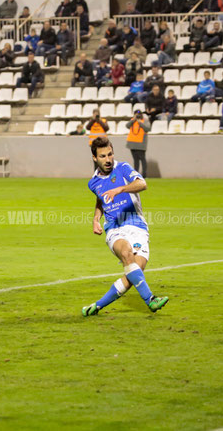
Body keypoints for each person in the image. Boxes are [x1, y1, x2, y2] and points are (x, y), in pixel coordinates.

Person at [82, 136, 168, 317]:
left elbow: (142, 184)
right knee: (127, 253)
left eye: (110, 154)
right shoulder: (93, 182)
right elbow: (100, 200)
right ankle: (151, 300)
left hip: (137, 225)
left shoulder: (123, 169)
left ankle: (96, 306)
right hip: (114, 228)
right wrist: (96, 219)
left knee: (134, 272)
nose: (108, 160)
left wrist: (120, 189)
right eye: (103, 156)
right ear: (95, 158)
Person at [125, 110, 150, 177]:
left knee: (142, 159)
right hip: (132, 144)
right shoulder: (132, 121)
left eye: (139, 114)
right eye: (136, 114)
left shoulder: (144, 121)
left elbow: (148, 128)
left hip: (141, 144)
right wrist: (134, 119)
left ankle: (144, 174)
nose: (138, 116)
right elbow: (127, 125)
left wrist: (140, 123)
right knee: (135, 160)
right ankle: (136, 174)